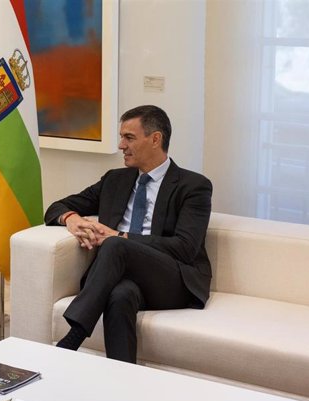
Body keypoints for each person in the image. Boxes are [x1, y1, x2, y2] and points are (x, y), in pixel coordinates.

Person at [46, 105, 212, 363]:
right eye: (121, 137)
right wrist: (72, 219)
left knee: (114, 245)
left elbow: (185, 248)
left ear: (155, 139)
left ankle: (75, 335)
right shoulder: (116, 180)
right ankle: (122, 378)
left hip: (173, 279)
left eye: (129, 137)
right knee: (120, 295)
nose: (121, 145)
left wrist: (120, 237)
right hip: (124, 277)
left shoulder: (194, 186)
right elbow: (56, 207)